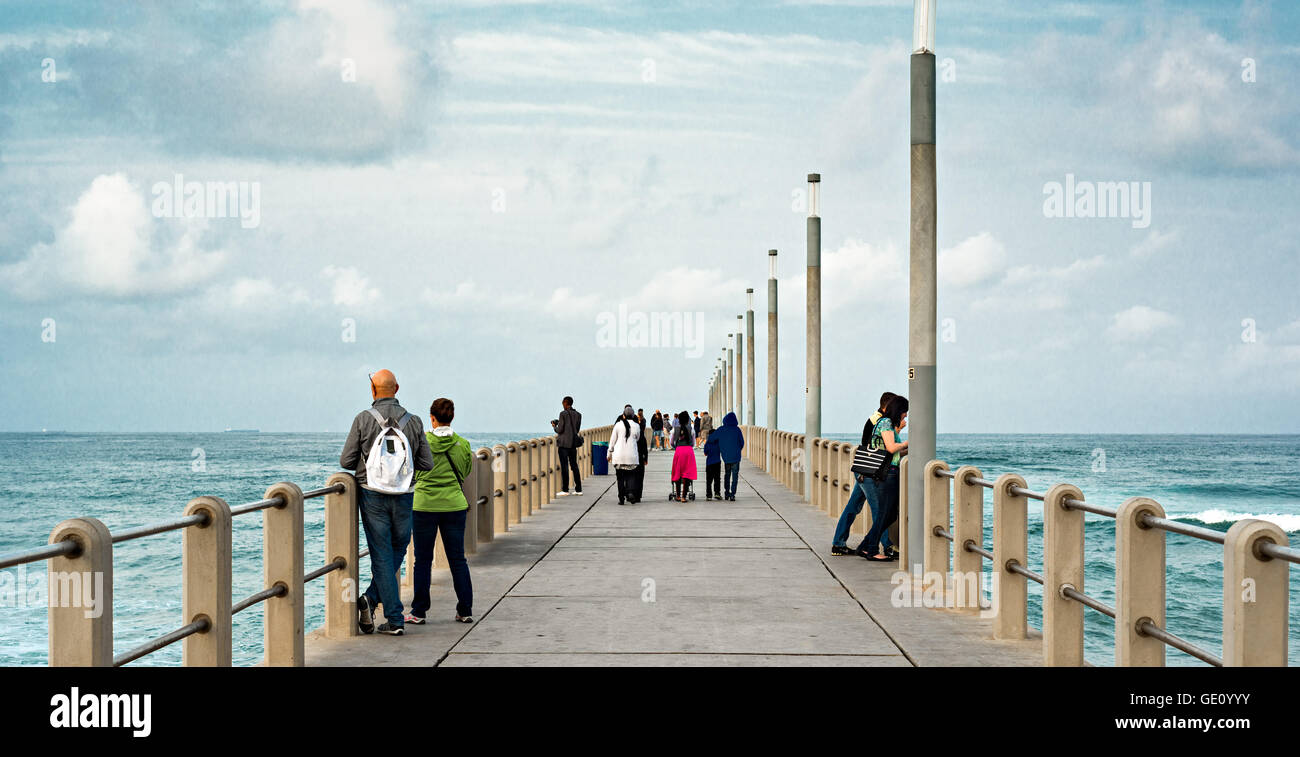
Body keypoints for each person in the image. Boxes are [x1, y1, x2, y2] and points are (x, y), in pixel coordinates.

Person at [339, 369, 434, 636]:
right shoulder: (414, 421)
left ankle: (389, 615)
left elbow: (346, 461)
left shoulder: (363, 419)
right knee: (397, 549)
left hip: (372, 494)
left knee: (381, 553)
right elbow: (427, 463)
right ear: (398, 388)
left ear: (372, 391)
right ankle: (374, 603)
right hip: (404, 495)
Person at [407, 398, 474, 625]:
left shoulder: (420, 442)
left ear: (432, 418)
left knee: (422, 560)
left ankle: (418, 611)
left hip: (424, 505)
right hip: (454, 505)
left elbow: (411, 470)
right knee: (457, 559)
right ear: (452, 417)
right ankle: (465, 610)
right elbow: (464, 472)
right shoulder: (462, 444)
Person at [831, 392, 897, 556]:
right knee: (880, 509)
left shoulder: (876, 418)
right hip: (870, 471)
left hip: (864, 468)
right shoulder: (881, 421)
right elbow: (877, 445)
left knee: (853, 507)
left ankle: (838, 543)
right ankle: (886, 546)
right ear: (886, 406)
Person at [857, 395, 908, 562]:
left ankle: (865, 545)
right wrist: (908, 442)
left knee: (889, 514)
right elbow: (891, 447)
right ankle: (872, 550)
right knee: (885, 514)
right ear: (898, 410)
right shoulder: (885, 423)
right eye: (904, 412)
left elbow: (893, 451)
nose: (906, 416)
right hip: (886, 473)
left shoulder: (888, 424)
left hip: (889, 470)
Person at [608, 405, 641, 505]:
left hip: (619, 456)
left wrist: (609, 452)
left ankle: (621, 498)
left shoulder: (618, 425)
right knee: (631, 475)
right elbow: (637, 438)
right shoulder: (636, 426)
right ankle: (630, 492)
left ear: (624, 415)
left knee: (620, 477)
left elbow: (612, 441)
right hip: (631, 456)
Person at [551, 396, 583, 496]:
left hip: (564, 444)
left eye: (563, 403)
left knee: (564, 466)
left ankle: (565, 489)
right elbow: (576, 430)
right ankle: (578, 489)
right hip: (573, 444)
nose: (562, 405)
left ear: (566, 403)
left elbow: (560, 430)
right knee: (574, 466)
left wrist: (554, 426)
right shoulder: (578, 415)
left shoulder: (563, 414)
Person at [711, 411, 745, 500]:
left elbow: (711, 438)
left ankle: (726, 493)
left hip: (726, 456)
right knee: (735, 476)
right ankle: (733, 494)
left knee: (727, 474)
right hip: (736, 457)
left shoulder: (721, 429)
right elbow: (742, 443)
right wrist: (737, 450)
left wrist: (720, 446)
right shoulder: (737, 430)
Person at [670, 410, 697, 501]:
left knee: (678, 473)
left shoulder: (675, 429)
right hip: (689, 451)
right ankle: (683, 497)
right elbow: (693, 443)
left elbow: (671, 442)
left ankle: (677, 495)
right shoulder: (692, 429)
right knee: (687, 474)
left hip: (679, 451)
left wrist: (676, 447)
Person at [631, 408, 648, 503]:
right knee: (640, 477)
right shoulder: (640, 432)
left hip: (631, 456)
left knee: (631, 476)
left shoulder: (628, 431)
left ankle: (630, 493)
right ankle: (638, 496)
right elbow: (644, 446)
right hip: (640, 457)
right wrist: (646, 458)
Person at [703, 432, 722, 500]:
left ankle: (709, 495)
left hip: (709, 463)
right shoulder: (719, 442)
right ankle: (717, 493)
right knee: (717, 479)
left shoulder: (707, 443)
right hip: (717, 462)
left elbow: (705, 453)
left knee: (709, 480)